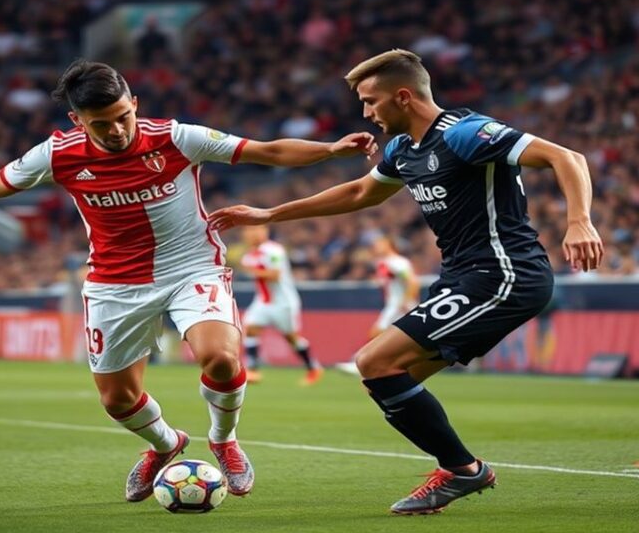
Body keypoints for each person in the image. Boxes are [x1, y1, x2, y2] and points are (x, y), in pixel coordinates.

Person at [0, 60, 377, 502]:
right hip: (114, 283)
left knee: (219, 356)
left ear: (134, 102)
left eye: (121, 117)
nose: (115, 130)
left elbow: (266, 151)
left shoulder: (177, 138)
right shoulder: (56, 155)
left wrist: (331, 150)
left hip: (192, 267)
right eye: (101, 124)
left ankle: (224, 441)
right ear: (78, 120)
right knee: (118, 399)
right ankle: (164, 444)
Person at [208, 49, 603, 515]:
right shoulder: (403, 150)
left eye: (372, 103)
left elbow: (567, 156)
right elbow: (359, 192)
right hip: (461, 276)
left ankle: (463, 470)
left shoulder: (464, 133)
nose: (367, 114)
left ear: (403, 96)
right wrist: (271, 213)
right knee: (390, 380)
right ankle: (458, 468)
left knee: (374, 361)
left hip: (504, 273)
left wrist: (579, 220)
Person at [238, 224, 323, 386]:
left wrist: (250, 270)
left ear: (265, 231)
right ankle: (253, 370)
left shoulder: (273, 251)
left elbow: (275, 275)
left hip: (283, 302)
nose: (252, 234)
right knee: (250, 328)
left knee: (291, 338)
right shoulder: (249, 255)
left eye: (256, 229)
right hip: (263, 301)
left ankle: (313, 367)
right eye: (248, 230)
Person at [336, 235, 419, 376]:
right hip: (395, 303)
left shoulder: (398, 262)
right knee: (390, 335)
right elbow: (390, 279)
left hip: (399, 305)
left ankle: (359, 362)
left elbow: (412, 282)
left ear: (389, 244)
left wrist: (405, 301)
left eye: (380, 243)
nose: (376, 246)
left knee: (377, 333)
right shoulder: (384, 262)